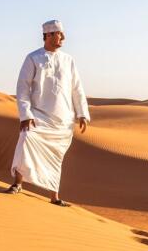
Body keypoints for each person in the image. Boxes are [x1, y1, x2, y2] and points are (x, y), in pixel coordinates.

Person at [5, 19, 90, 206]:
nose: (63, 38)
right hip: (38, 115)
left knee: (55, 156)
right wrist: (25, 114)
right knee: (26, 140)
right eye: (60, 34)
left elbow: (77, 88)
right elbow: (23, 88)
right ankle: (17, 184)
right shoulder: (33, 58)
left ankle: (54, 196)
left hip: (63, 119)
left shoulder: (68, 60)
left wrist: (82, 113)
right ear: (49, 35)